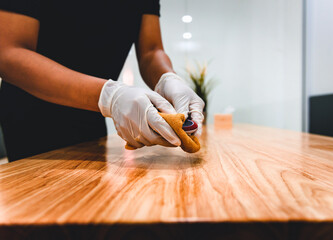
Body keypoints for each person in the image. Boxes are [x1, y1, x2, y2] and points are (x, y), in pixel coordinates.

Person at [0, 0, 204, 162]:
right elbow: (9, 52)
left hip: (91, 118)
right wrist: (109, 95)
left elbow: (151, 51)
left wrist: (168, 78)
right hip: (32, 120)